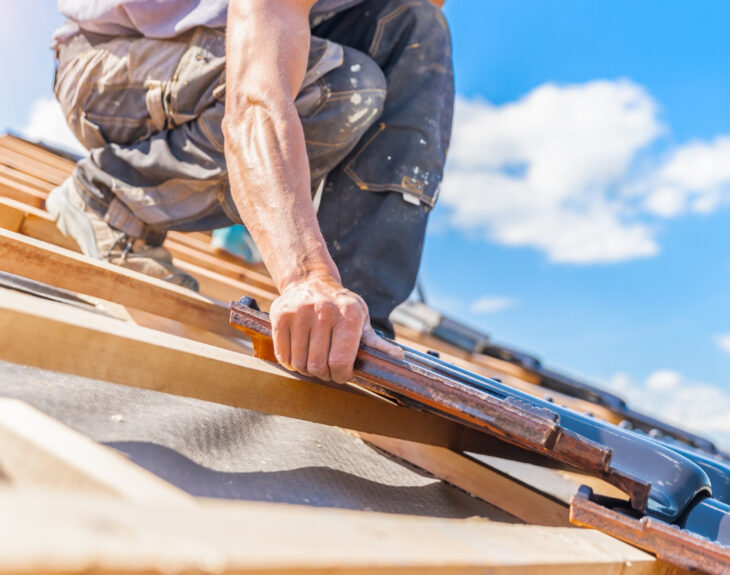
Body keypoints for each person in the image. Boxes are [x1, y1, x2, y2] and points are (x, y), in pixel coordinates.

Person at [47, 0, 454, 384]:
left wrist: (341, 306)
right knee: (345, 89)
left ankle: (351, 324)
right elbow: (257, 104)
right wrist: (306, 276)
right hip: (108, 69)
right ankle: (110, 196)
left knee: (418, 28)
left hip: (214, 58)